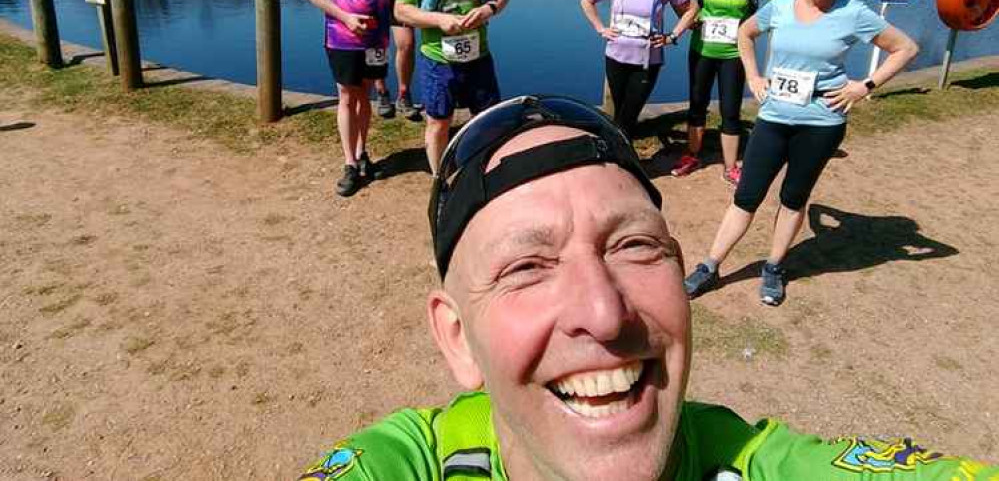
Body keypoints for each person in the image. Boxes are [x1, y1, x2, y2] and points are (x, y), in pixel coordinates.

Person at [299, 95, 994, 481]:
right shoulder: (405, 467)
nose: (603, 313)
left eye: (633, 246)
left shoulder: (757, 468)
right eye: (526, 267)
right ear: (456, 337)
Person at [683, 0, 919, 306]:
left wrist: (864, 86)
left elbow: (905, 48)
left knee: (794, 199)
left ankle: (774, 267)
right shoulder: (779, 5)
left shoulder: (854, 13)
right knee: (746, 197)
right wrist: (754, 77)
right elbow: (744, 33)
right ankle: (710, 266)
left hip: (821, 123)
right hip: (774, 117)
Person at [394, 0, 510, 175]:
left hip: (478, 57)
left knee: (486, 119)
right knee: (439, 122)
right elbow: (400, 10)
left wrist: (488, 10)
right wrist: (438, 20)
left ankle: (481, 171)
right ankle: (440, 179)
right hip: (438, 61)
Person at [301, 0, 402, 197]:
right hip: (342, 35)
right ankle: (349, 163)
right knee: (347, 96)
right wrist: (344, 17)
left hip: (377, 35)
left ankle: (362, 154)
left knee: (366, 95)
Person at [672, 0, 779, 186]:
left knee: (730, 110)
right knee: (697, 105)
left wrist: (756, 27)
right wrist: (688, 18)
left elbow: (782, 1)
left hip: (735, 54)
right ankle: (691, 156)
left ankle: (730, 167)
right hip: (702, 49)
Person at [580, 0, 698, 139]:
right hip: (616, 57)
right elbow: (588, 0)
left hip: (647, 61)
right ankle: (620, 153)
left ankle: (621, 158)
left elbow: (692, 8)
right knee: (619, 112)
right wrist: (600, 28)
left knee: (628, 115)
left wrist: (672, 36)